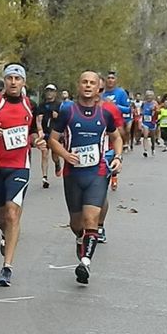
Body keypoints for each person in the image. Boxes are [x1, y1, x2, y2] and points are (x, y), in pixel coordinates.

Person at [49, 70, 123, 284]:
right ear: (78, 85)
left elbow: (116, 137)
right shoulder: (67, 111)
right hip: (73, 174)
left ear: (98, 86)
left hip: (97, 173)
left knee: (91, 219)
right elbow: (53, 139)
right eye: (84, 82)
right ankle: (81, 239)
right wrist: (64, 154)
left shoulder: (105, 114)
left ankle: (85, 263)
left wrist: (118, 157)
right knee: (76, 223)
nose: (88, 86)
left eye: (92, 83)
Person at [0, 62, 46, 287]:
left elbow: (33, 132)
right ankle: (6, 234)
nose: (13, 82)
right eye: (10, 78)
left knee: (13, 213)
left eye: (17, 78)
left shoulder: (30, 105)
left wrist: (38, 140)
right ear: (4, 81)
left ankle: (7, 267)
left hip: (19, 166)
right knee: (1, 218)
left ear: (24, 82)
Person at [97, 76, 125, 243]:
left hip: (105, 155)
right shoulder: (75, 108)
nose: (97, 93)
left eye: (101, 90)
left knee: (100, 193)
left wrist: (118, 156)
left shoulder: (110, 109)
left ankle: (99, 225)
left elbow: (118, 134)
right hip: (82, 158)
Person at [36, 83, 62, 187]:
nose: (49, 93)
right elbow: (38, 120)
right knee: (44, 153)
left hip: (55, 134)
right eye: (47, 91)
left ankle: (57, 163)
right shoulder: (41, 106)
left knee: (54, 155)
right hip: (45, 134)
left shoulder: (59, 105)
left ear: (55, 93)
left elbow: (63, 119)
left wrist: (58, 116)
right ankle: (44, 177)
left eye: (51, 91)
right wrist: (40, 131)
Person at [102, 71, 131, 152]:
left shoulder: (121, 92)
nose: (110, 80)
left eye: (112, 78)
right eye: (108, 78)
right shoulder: (101, 93)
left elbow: (128, 109)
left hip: (116, 122)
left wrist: (114, 105)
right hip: (102, 121)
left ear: (116, 81)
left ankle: (122, 146)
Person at [140, 90, 159, 157]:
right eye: (147, 95)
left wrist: (154, 110)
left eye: (150, 95)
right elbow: (141, 110)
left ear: (152, 96)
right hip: (145, 122)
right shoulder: (144, 103)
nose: (149, 97)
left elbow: (158, 111)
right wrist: (141, 113)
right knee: (145, 136)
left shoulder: (155, 103)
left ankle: (153, 148)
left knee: (152, 137)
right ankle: (145, 150)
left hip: (152, 122)